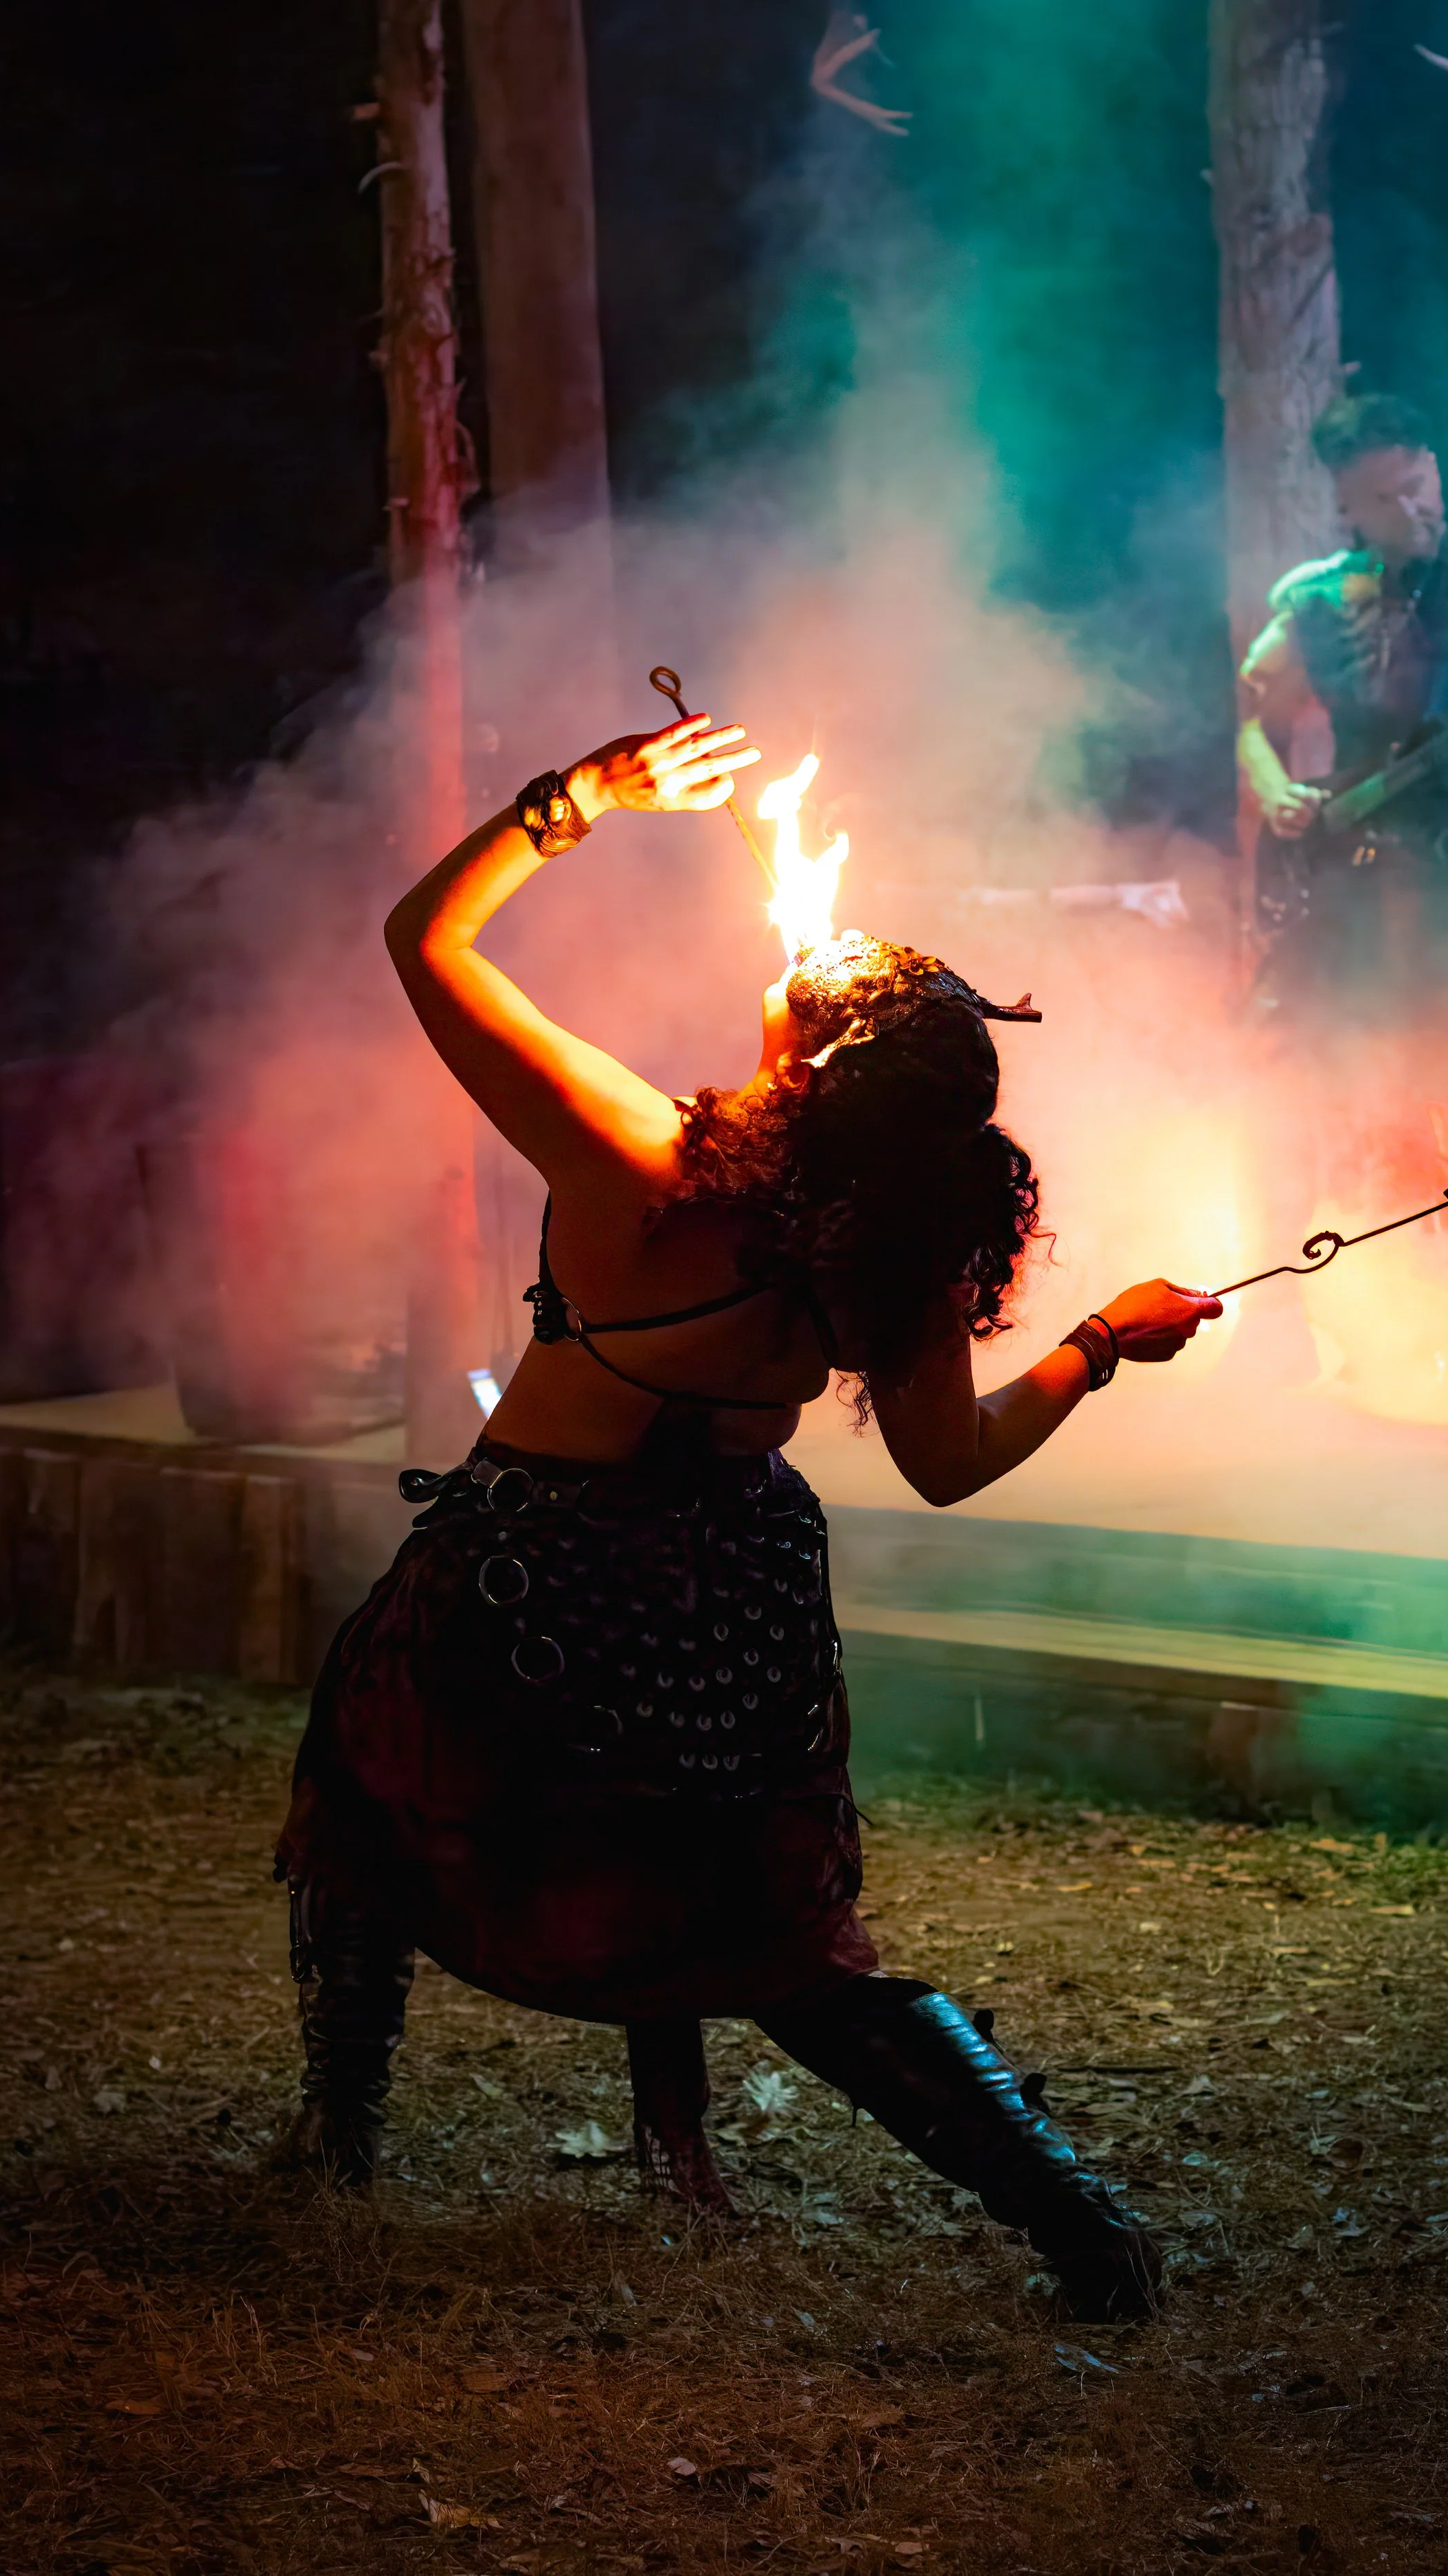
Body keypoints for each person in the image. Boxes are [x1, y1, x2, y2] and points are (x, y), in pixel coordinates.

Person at [274, 714, 1221, 2323]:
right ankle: (1072, 2219)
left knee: (361, 1800)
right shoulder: (892, 1255)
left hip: (533, 1581)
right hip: (732, 1603)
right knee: (767, 1930)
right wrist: (1092, 1349)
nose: (787, 958)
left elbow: (420, 938)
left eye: (803, 977)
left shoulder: (642, 1158)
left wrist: (588, 795)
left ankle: (342, 2133)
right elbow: (949, 1459)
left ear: (806, 1057)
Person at [1236, 390, 1448, 1006]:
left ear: (1436, 468)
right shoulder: (1323, 595)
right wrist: (1275, 791)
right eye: (1383, 501)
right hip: (1350, 875)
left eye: (1416, 485)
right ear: (1347, 506)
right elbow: (1257, 726)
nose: (1411, 509)